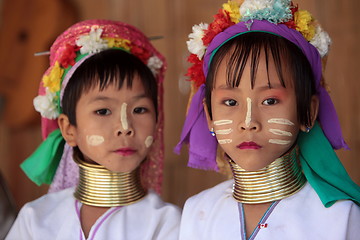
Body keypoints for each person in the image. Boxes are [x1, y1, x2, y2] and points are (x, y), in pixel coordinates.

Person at [175, 0, 360, 239]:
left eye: (270, 101)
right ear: (209, 115)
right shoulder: (198, 211)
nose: (249, 121)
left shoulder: (341, 217)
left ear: (308, 111)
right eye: (230, 102)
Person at [6, 19, 180, 239]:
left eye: (139, 110)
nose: (125, 128)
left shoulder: (167, 223)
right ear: (69, 129)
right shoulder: (36, 218)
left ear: (156, 123)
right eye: (103, 111)